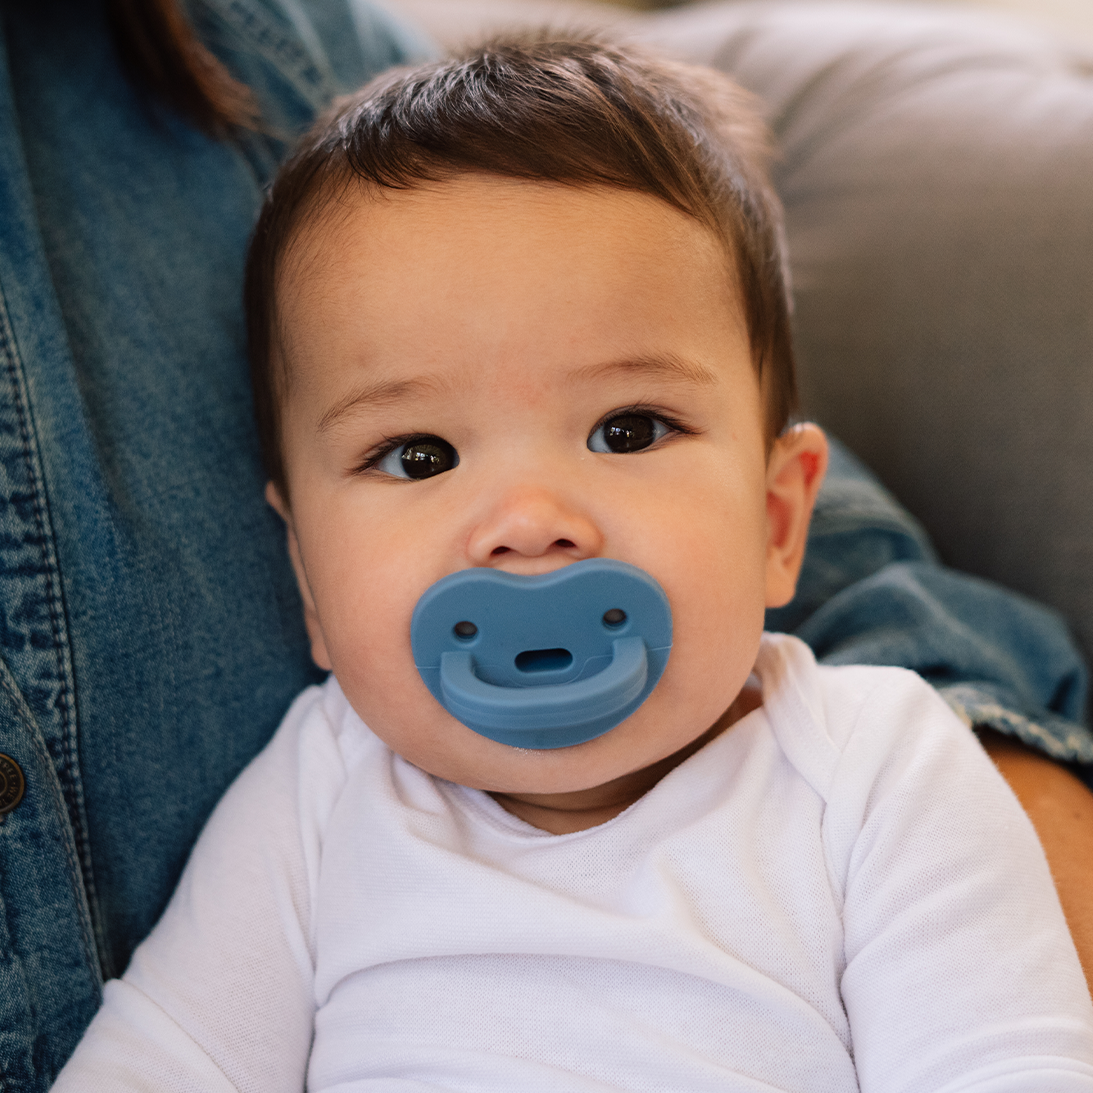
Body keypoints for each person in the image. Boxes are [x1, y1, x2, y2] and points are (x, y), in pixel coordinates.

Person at [2, 4, 1091, 1091]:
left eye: (627, 429)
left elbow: (1004, 1062)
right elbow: (163, 1060)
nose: (529, 519)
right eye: (418, 454)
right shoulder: (319, 791)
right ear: (309, 584)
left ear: (776, 521)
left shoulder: (874, 771)